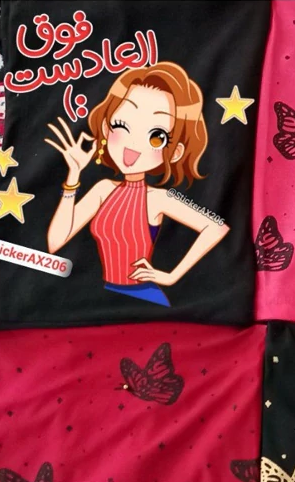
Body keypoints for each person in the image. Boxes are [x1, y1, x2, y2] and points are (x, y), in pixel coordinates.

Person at [44, 61, 228, 307]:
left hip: (143, 298)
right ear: (106, 128)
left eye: (156, 136)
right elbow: (55, 242)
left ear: (175, 152)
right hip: (105, 296)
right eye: (122, 125)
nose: (132, 146)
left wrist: (171, 276)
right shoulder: (103, 189)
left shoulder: (159, 198)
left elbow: (216, 226)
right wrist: (73, 175)